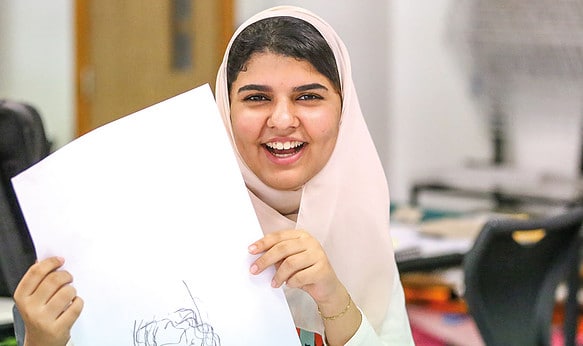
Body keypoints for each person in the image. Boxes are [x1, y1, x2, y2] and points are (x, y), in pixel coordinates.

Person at [13, 5, 414, 346]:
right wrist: (44, 341)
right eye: (256, 98)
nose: (282, 119)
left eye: (308, 97)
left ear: (343, 109)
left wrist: (333, 297)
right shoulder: (156, 219)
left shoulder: (359, 222)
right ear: (226, 108)